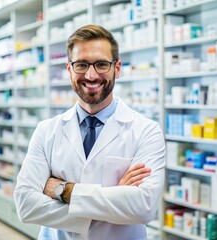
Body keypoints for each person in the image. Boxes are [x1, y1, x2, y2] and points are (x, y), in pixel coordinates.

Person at [14, 24, 165, 240]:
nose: (91, 75)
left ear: (118, 68)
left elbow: (143, 207)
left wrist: (62, 190)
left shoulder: (146, 131)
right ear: (69, 69)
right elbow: (26, 205)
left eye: (102, 64)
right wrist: (114, 200)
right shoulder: (46, 130)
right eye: (81, 65)